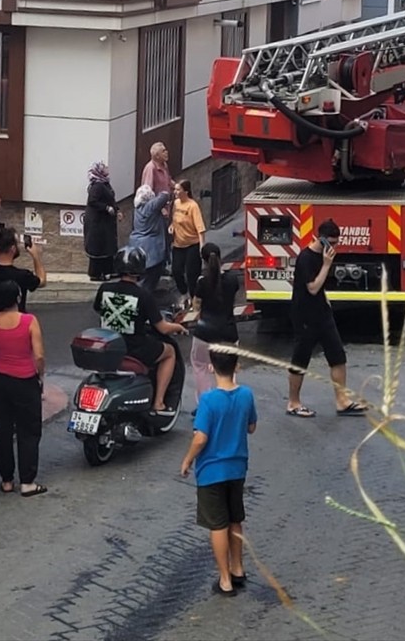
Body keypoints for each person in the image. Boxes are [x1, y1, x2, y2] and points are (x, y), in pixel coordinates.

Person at [180, 348, 257, 597]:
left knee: (218, 525)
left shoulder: (209, 401)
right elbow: (252, 427)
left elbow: (200, 438)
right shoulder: (246, 394)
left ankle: (224, 580)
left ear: (211, 367)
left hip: (212, 471)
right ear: (237, 366)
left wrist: (188, 459)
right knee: (235, 519)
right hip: (237, 468)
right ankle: (238, 569)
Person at [286, 219, 366, 418]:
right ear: (321, 239)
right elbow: (312, 287)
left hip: (322, 312)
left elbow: (321, 289)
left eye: (336, 243)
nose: (334, 247)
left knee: (337, 355)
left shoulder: (324, 255)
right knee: (300, 359)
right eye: (332, 242)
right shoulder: (306, 258)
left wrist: (327, 300)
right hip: (304, 315)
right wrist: (327, 264)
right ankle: (293, 402)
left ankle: (342, 401)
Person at [94, 248, 187, 418]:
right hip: (134, 348)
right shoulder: (143, 295)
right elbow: (162, 328)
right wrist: (178, 327)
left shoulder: (104, 289)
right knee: (170, 352)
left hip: (109, 346)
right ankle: (159, 402)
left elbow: (99, 310)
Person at [0, 279, 47, 497]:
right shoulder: (29, 321)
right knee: (29, 430)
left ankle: (7, 479)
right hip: (25, 379)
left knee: (3, 430)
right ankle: (27, 481)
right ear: (18, 298)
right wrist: (40, 376)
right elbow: (38, 355)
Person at [189, 242, 241, 402]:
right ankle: (229, 402)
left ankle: (204, 404)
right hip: (228, 333)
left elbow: (196, 306)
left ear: (204, 261)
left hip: (204, 333)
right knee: (228, 370)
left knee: (200, 366)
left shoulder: (202, 282)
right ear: (220, 258)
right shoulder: (232, 280)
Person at [0, 227, 46, 327]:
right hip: (17, 325)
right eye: (18, 244)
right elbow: (42, 281)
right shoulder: (22, 275)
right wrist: (35, 256)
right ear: (13, 248)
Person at [129, 183, 171, 294]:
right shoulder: (150, 207)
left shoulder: (136, 209)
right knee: (149, 281)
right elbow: (165, 195)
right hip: (151, 249)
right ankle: (144, 301)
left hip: (136, 246)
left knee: (141, 278)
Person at [83, 161, 121, 281]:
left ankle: (109, 270)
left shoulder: (105, 183)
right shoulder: (97, 186)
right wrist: (106, 208)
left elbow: (111, 199)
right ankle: (96, 274)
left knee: (107, 245)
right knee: (99, 246)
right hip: (97, 223)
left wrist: (117, 210)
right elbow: (93, 201)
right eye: (104, 167)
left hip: (105, 222)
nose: (107, 169)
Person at [171, 180, 206, 310]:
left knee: (192, 275)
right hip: (178, 245)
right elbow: (175, 219)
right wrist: (171, 226)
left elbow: (200, 228)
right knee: (176, 271)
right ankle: (184, 293)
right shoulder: (176, 204)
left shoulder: (193, 206)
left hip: (192, 244)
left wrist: (202, 246)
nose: (175, 192)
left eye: (178, 190)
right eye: (175, 189)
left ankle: (194, 299)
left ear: (186, 192)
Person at [141, 142, 174, 261]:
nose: (167, 152)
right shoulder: (151, 168)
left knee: (167, 237)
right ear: (157, 156)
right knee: (160, 238)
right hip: (158, 211)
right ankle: (160, 263)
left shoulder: (164, 165)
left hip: (167, 207)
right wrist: (160, 208)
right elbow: (148, 193)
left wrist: (179, 187)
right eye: (163, 151)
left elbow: (168, 181)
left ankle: (165, 261)